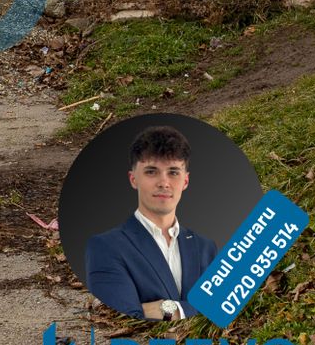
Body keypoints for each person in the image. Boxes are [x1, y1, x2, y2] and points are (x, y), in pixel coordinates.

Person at [85, 125, 219, 320]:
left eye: (173, 172)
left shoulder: (205, 247)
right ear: (133, 179)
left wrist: (169, 310)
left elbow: (220, 309)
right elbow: (124, 316)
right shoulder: (105, 247)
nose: (163, 183)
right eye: (151, 172)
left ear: (185, 181)